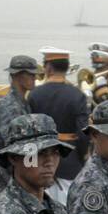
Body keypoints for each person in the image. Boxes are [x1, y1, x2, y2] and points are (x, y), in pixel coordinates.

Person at [26, 48, 89, 205]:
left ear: (48, 67)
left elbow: (28, 134)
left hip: (38, 160)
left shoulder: (34, 94)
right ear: (67, 67)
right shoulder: (78, 95)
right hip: (70, 160)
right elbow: (83, 134)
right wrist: (80, 157)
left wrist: (30, 162)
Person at [0, 54, 36, 157]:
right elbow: (11, 143)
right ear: (18, 76)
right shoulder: (10, 106)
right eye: (31, 74)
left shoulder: (22, 102)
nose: (35, 78)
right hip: (10, 168)